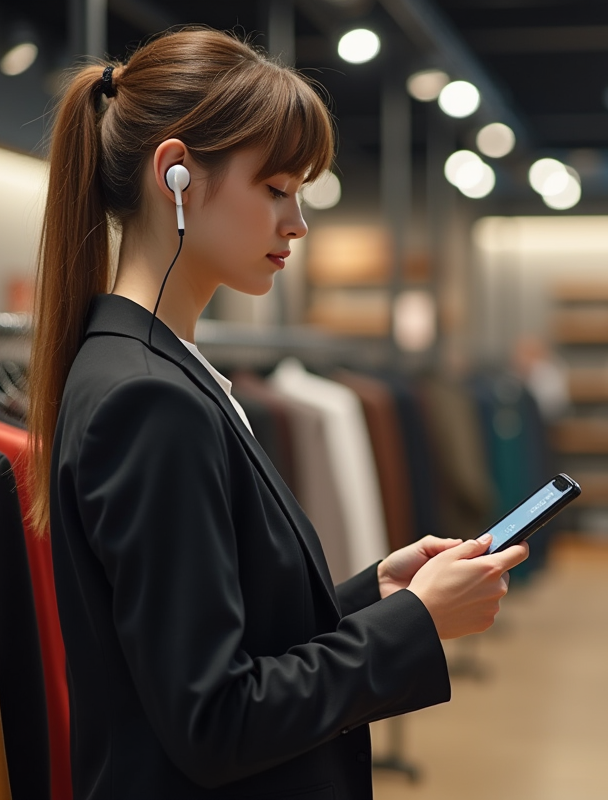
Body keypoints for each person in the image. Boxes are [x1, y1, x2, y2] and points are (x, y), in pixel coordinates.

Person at [27, 29, 529, 799]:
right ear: (177, 175)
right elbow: (217, 719)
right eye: (275, 188)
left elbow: (223, 640)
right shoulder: (148, 398)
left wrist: (372, 596)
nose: (297, 223)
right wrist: (415, 625)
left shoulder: (158, 370)